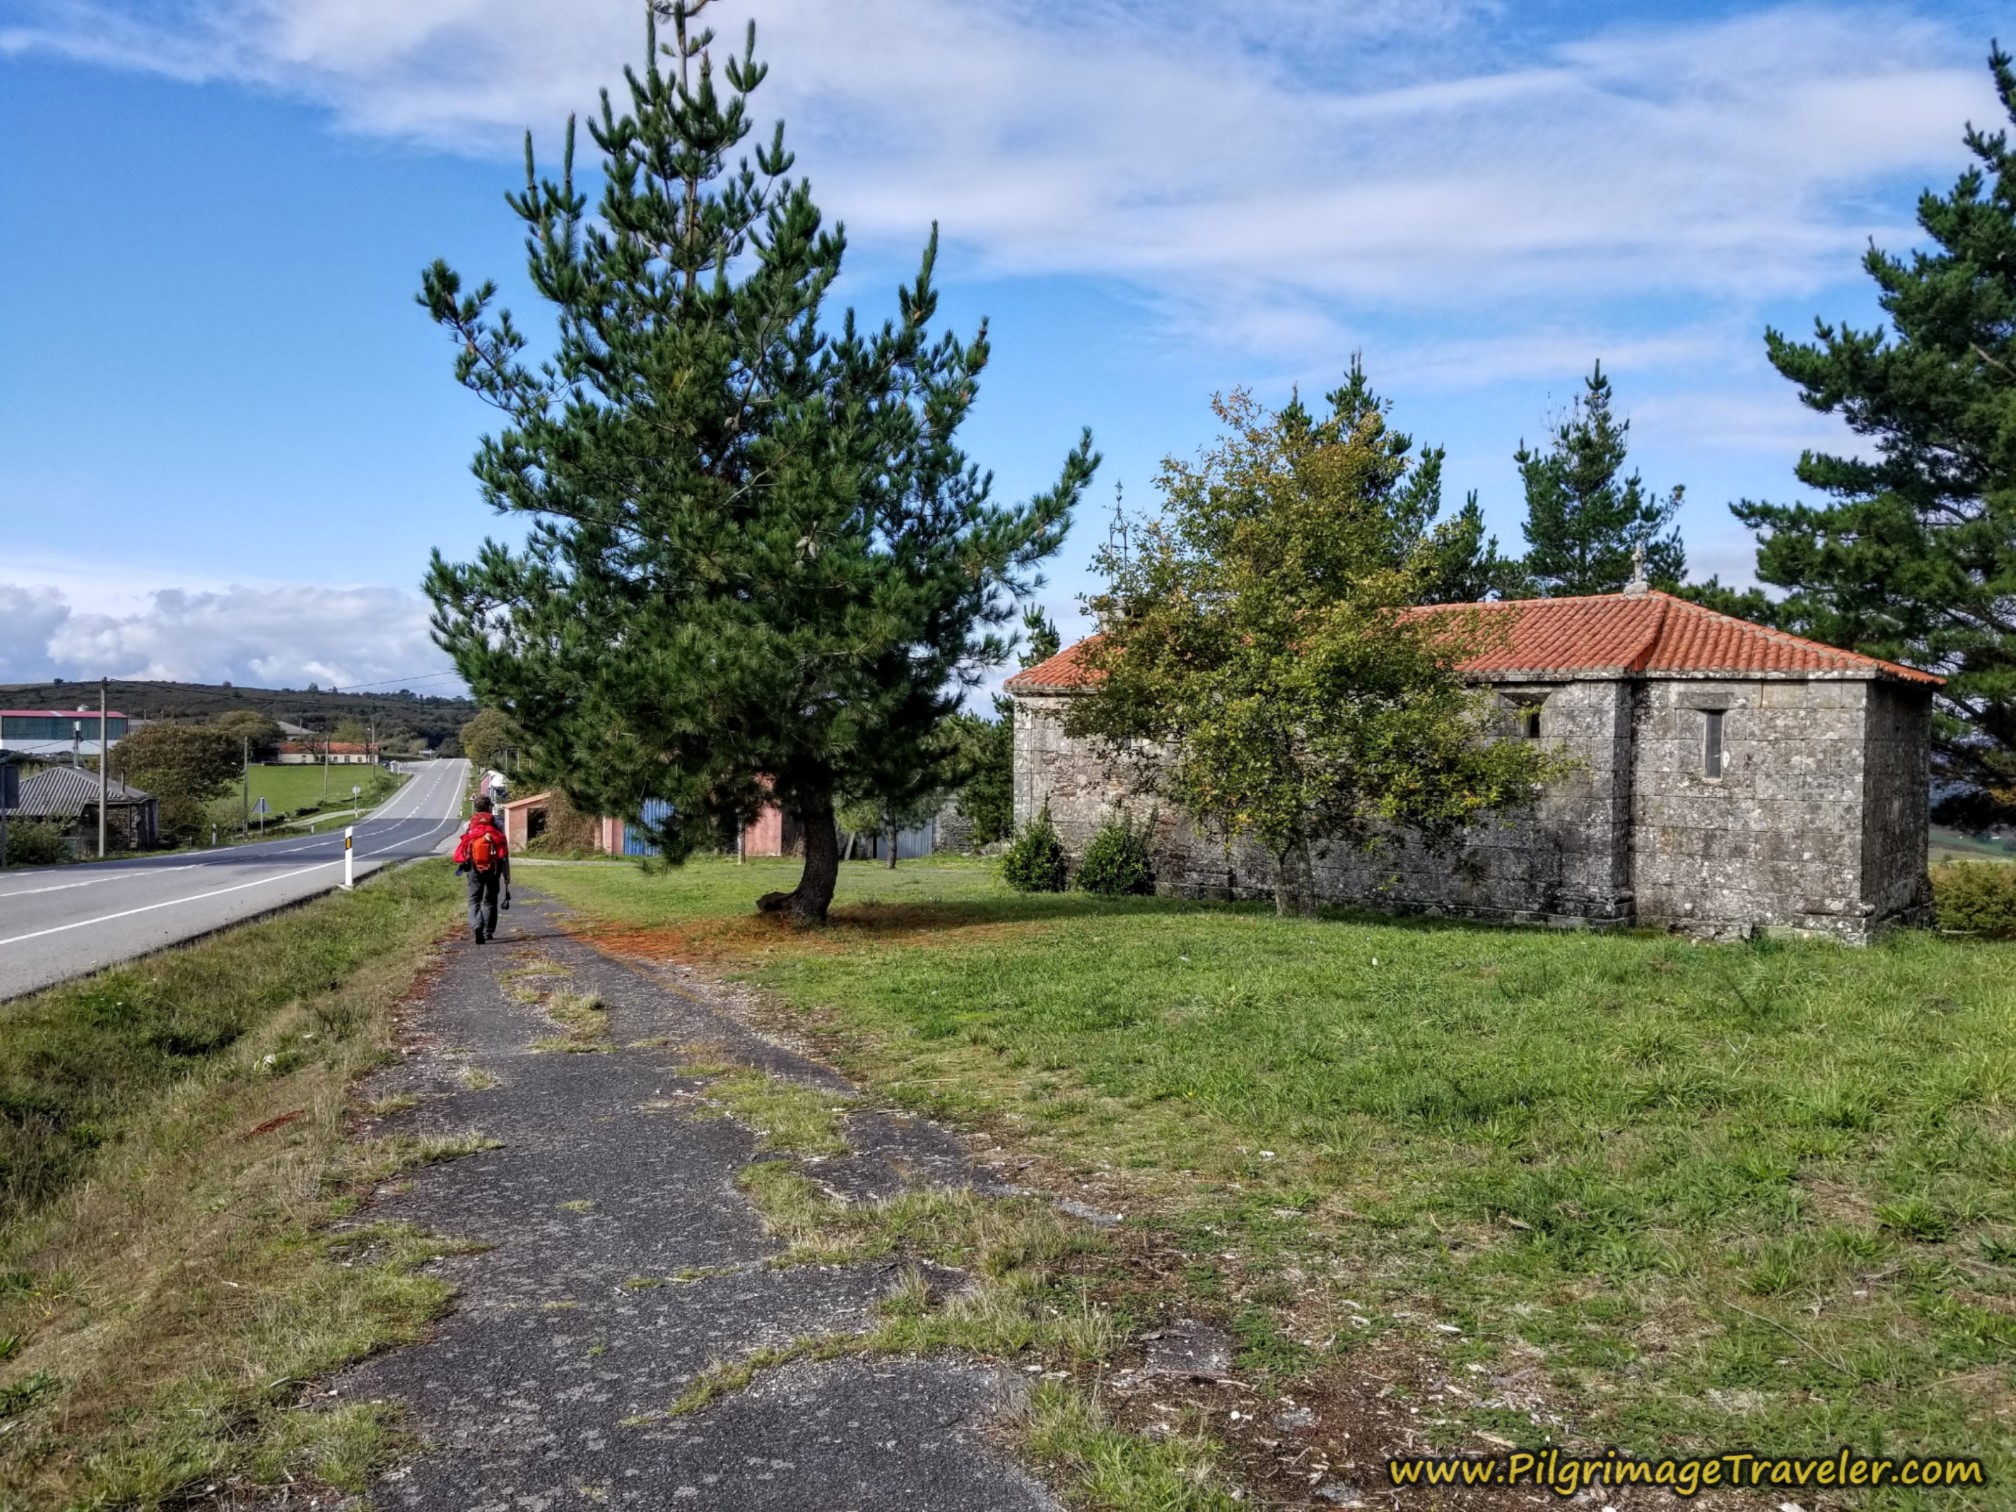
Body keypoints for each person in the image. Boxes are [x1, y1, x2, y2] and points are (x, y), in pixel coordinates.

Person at [454, 794, 512, 944]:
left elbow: (465, 847)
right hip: (494, 867)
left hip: (474, 867)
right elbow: (504, 850)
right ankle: (487, 932)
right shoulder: (498, 823)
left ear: (476, 807)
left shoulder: (469, 825)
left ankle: (476, 925)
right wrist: (506, 874)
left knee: (474, 900)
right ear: (490, 807)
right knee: (490, 900)